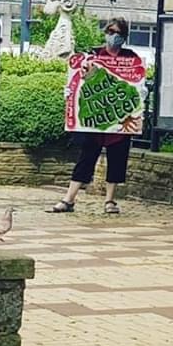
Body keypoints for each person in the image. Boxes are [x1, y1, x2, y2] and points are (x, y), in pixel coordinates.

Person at [52, 18, 136, 215]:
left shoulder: (130, 58)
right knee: (86, 158)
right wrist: (71, 92)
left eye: (117, 32)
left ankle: (110, 200)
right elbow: (80, 77)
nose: (112, 35)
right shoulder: (93, 55)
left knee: (117, 159)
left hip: (118, 117)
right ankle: (69, 199)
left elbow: (134, 81)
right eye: (110, 31)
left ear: (123, 36)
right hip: (95, 118)